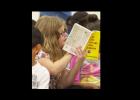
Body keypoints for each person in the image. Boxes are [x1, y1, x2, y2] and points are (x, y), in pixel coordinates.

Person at [35, 16, 86, 89]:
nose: (66, 35)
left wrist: (79, 62)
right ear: (50, 36)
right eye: (62, 33)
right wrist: (71, 50)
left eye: (65, 32)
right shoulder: (39, 53)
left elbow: (62, 85)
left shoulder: (58, 53)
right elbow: (54, 70)